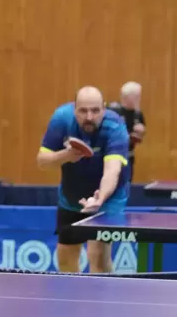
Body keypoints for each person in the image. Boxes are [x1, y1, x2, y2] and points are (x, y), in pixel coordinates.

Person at [36, 86, 130, 273]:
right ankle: (76, 300)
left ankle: (102, 301)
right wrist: (66, 156)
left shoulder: (116, 126)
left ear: (103, 108)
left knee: (98, 258)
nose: (89, 116)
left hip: (108, 198)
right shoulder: (62, 119)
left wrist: (100, 198)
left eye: (95, 110)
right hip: (72, 196)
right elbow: (42, 161)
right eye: (83, 110)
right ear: (74, 109)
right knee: (65, 258)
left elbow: (112, 170)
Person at [107, 81, 146, 181]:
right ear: (127, 97)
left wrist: (141, 133)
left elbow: (139, 138)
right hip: (113, 155)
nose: (139, 99)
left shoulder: (138, 114)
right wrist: (128, 135)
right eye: (137, 96)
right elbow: (109, 134)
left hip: (129, 155)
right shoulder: (112, 111)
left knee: (127, 184)